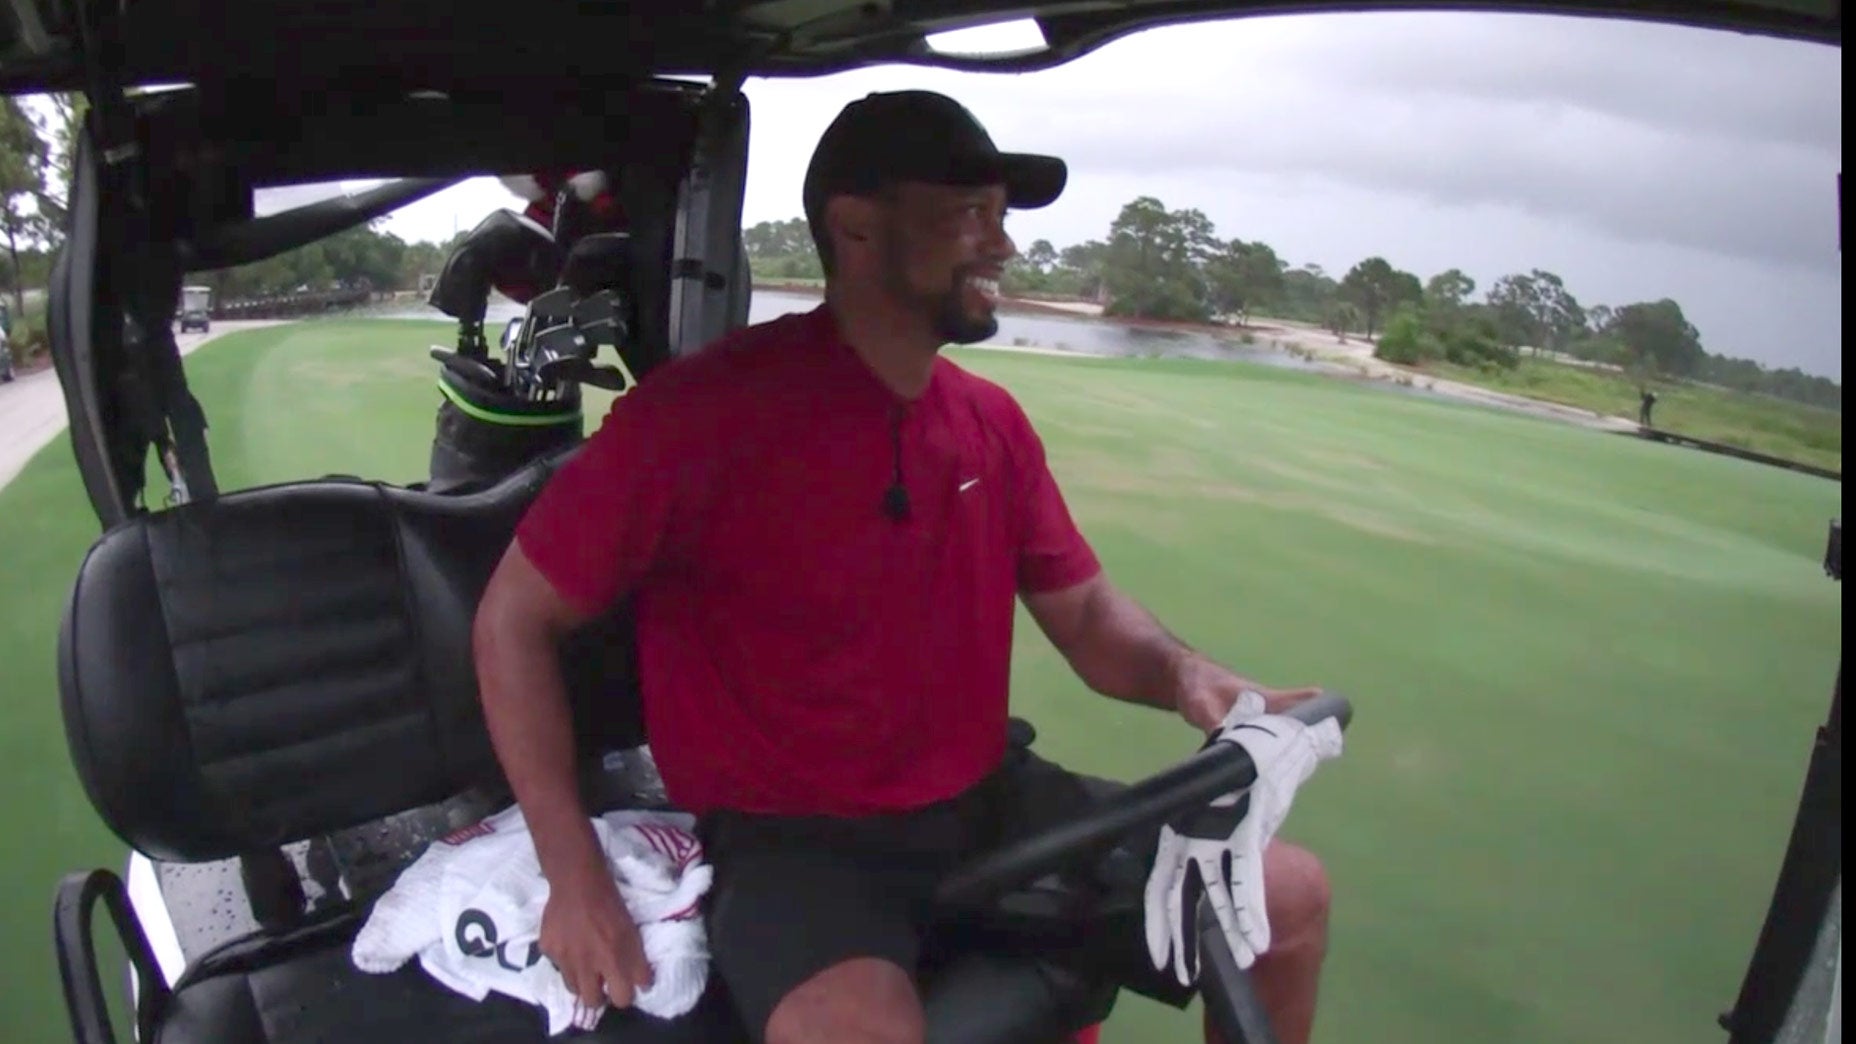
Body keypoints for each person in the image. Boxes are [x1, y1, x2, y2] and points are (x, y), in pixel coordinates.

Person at [472, 89, 1336, 1044]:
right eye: (968, 216)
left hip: (989, 801)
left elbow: (1084, 613)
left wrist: (1185, 673)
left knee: (1288, 905)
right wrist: (573, 875)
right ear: (856, 230)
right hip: (800, 845)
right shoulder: (695, 420)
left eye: (1002, 218)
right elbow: (513, 619)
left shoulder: (989, 423)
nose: (1001, 246)